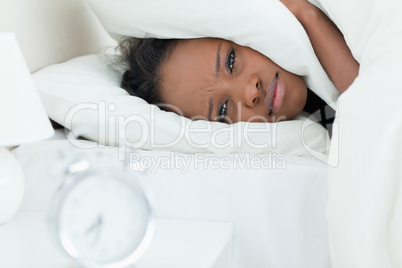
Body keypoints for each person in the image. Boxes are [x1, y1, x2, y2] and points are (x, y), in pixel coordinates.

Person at [118, 0, 359, 124]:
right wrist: (308, 15)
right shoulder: (324, 122)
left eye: (230, 62)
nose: (250, 92)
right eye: (223, 110)